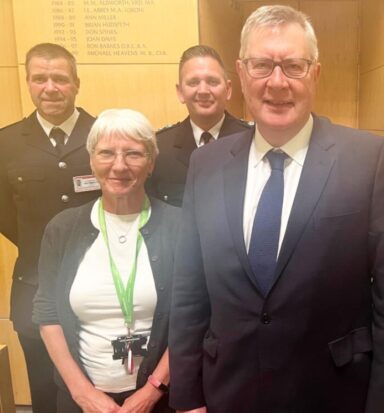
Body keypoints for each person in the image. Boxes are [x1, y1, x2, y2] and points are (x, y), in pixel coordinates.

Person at [168, 5, 384, 413]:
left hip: (333, 394)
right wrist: (188, 397)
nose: (277, 82)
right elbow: (189, 291)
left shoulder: (367, 159)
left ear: (315, 73)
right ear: (241, 73)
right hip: (228, 392)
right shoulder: (206, 165)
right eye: (262, 65)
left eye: (294, 66)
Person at [32, 109, 179, 413]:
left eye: (133, 153)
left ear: (151, 163)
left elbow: (194, 318)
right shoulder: (62, 228)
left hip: (161, 397)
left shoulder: (180, 226)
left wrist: (152, 391)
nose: (119, 165)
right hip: (81, 401)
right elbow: (48, 314)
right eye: (106, 153)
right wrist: (84, 394)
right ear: (91, 161)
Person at [0, 43, 99, 413]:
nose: (50, 88)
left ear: (76, 83)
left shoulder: (103, 134)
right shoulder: (6, 143)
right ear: (28, 83)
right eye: (40, 79)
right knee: (45, 392)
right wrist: (44, 246)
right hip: (34, 283)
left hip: (98, 283)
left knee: (99, 386)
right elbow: (5, 215)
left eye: (60, 78)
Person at [146, 45, 253, 206]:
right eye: (193, 82)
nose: (203, 90)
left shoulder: (252, 141)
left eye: (212, 82)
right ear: (180, 92)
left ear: (228, 89)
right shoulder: (159, 149)